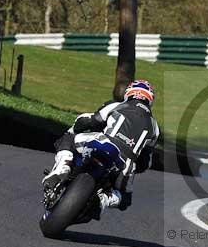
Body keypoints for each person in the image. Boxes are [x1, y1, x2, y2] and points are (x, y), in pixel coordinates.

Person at [43, 79, 159, 214]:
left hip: (104, 142)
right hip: (126, 165)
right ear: (150, 99)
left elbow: (90, 120)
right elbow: (146, 162)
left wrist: (74, 129)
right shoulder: (155, 128)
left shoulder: (117, 105)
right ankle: (104, 199)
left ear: (129, 93)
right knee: (125, 199)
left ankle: (61, 169)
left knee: (69, 139)